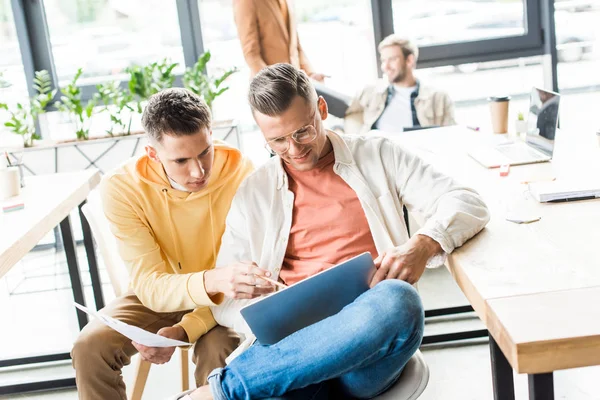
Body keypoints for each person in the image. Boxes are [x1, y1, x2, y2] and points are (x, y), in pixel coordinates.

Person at [181, 64, 490, 400]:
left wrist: (423, 245)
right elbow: (225, 303)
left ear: (322, 110)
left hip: (366, 355)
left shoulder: (378, 155)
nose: (295, 149)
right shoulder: (254, 192)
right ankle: (270, 376)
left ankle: (220, 391)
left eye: (303, 132)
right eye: (278, 141)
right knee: (290, 379)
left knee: (399, 300)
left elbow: (466, 202)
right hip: (296, 359)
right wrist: (252, 295)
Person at [71, 88, 276, 400]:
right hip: (162, 292)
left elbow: (248, 276)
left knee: (220, 350)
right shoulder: (121, 187)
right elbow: (150, 286)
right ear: (152, 153)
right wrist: (210, 280)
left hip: (225, 297)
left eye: (205, 152)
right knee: (90, 347)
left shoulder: (242, 173)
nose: (198, 171)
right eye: (181, 160)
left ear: (211, 134)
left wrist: (188, 326)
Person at [345, 35, 456, 135]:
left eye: (392, 59)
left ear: (409, 60)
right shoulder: (370, 92)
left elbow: (451, 135)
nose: (385, 67)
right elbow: (347, 112)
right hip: (377, 152)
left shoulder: (438, 97)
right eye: (383, 60)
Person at [233, 0, 326, 81]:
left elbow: (295, 45)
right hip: (270, 92)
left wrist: (310, 74)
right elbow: (251, 55)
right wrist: (276, 86)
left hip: (296, 88)